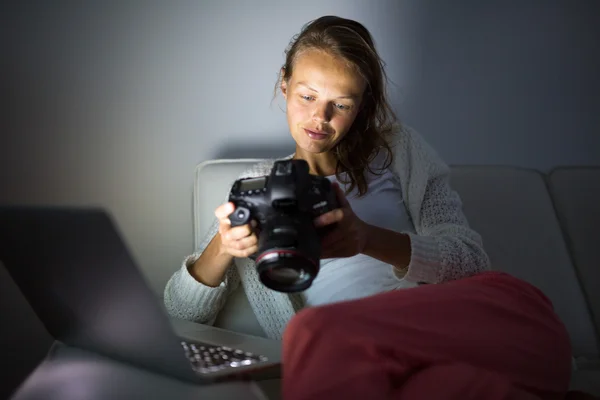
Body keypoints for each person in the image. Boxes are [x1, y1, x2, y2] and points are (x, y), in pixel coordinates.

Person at [163, 15, 491, 340]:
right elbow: (182, 313)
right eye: (308, 97)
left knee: (513, 296)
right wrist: (224, 245)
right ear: (284, 84)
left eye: (342, 105)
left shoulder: (400, 149)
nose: (320, 118)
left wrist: (367, 239)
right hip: (346, 347)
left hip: (431, 325)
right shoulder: (262, 185)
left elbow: (472, 262)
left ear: (361, 106)